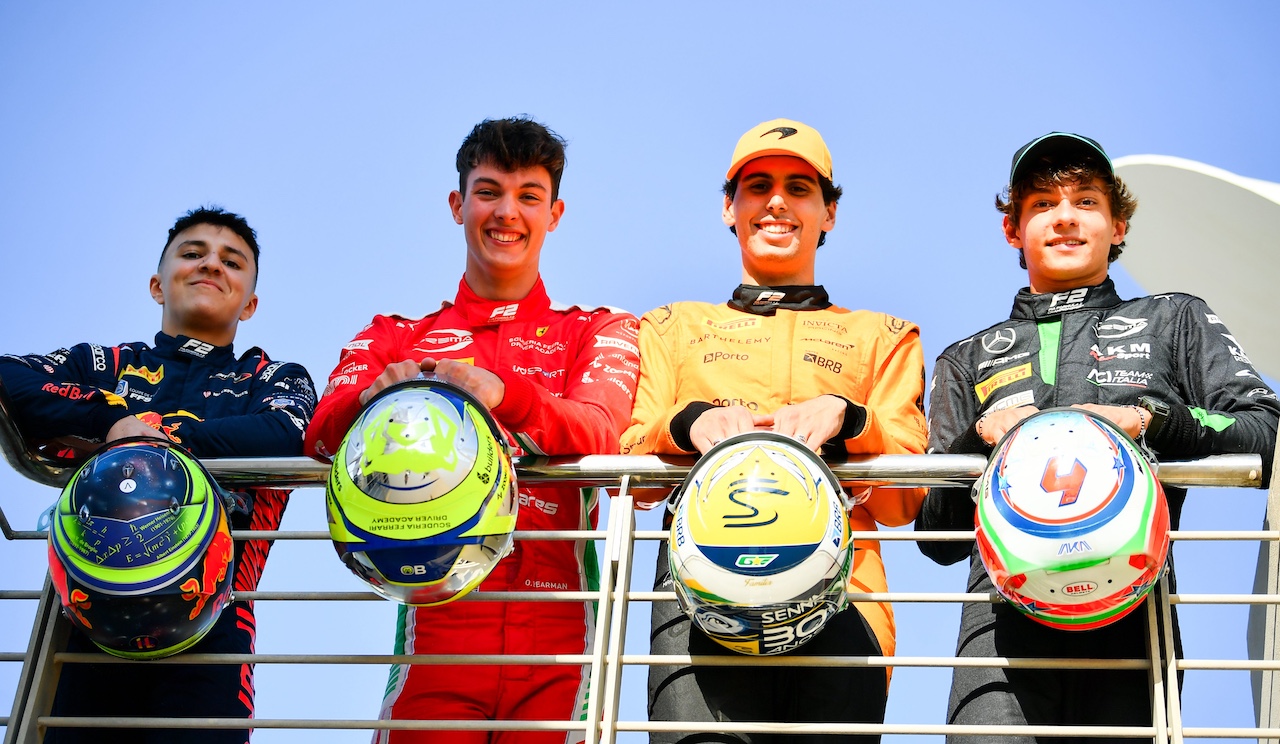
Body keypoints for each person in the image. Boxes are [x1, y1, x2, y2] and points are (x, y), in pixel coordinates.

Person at [915, 132, 1280, 740]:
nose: (1064, 218)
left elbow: (1265, 430)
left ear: (1119, 226)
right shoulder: (966, 357)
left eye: (1086, 202)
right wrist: (981, 439)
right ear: (1013, 230)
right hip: (998, 625)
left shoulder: (1174, 318)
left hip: (1137, 615)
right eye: (1041, 204)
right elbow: (937, 537)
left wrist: (1147, 423)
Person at [304, 116, 640, 744]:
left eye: (528, 196)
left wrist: (505, 395)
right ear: (458, 204)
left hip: (561, 639)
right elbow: (320, 435)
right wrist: (371, 403)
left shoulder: (599, 328)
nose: (506, 212)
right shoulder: (393, 335)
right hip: (436, 626)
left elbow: (601, 433)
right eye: (488, 191)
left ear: (555, 213)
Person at [619, 118, 929, 744]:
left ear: (829, 213)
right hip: (694, 600)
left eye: (800, 187)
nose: (778, 202)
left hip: (848, 603)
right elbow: (631, 467)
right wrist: (689, 423)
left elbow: (906, 500)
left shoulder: (886, 336)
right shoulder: (671, 326)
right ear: (729, 209)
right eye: (757, 186)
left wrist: (849, 418)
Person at [0, 206, 317, 743]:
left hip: (215, 620)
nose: (211, 265)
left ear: (251, 303)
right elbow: (10, 377)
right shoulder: (105, 365)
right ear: (156, 284)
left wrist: (159, 439)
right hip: (83, 617)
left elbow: (290, 430)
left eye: (231, 262)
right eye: (193, 254)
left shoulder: (272, 376)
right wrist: (108, 419)